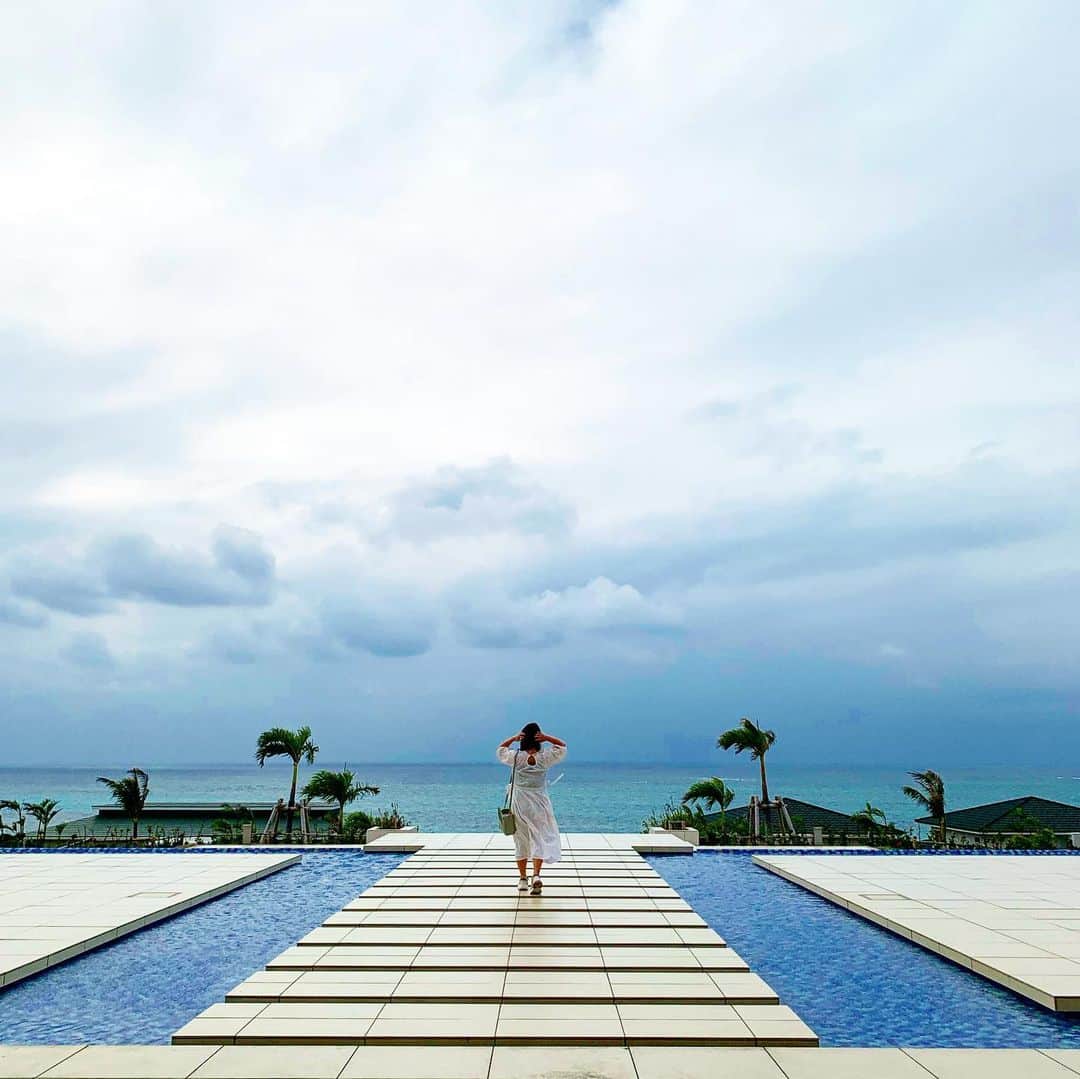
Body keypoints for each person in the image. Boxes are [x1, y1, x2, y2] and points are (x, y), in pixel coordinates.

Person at [497, 723, 566, 894]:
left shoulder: (516, 757)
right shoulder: (545, 757)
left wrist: (514, 738)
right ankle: (536, 875)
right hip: (539, 802)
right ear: (538, 739)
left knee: (521, 840)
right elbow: (562, 747)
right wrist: (546, 737)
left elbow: (500, 750)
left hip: (520, 802)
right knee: (538, 838)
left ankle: (522, 879)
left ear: (523, 739)